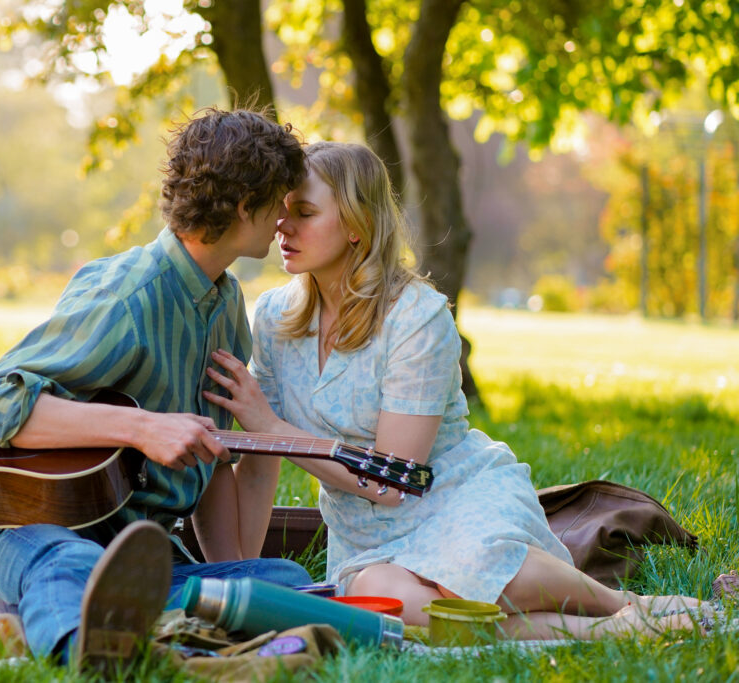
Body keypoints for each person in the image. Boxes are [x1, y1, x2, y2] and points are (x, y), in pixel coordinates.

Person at [204, 140, 704, 640]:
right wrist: (243, 577)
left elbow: (394, 480)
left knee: (490, 576)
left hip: (454, 500)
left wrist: (274, 428)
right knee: (391, 605)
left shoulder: (417, 316)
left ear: (356, 225)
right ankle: (617, 629)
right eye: (283, 211)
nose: (282, 226)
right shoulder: (273, 317)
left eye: (305, 212)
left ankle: (622, 604)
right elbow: (259, 464)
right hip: (364, 538)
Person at [0, 107, 313, 667]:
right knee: (70, 563)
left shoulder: (225, 304)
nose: (283, 219)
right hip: (28, 530)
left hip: (134, 551)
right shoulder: (130, 297)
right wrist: (142, 427)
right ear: (246, 206)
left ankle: (36, 627)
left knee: (282, 581)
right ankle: (93, 653)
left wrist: (234, 580)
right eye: (277, 203)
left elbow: (212, 461)